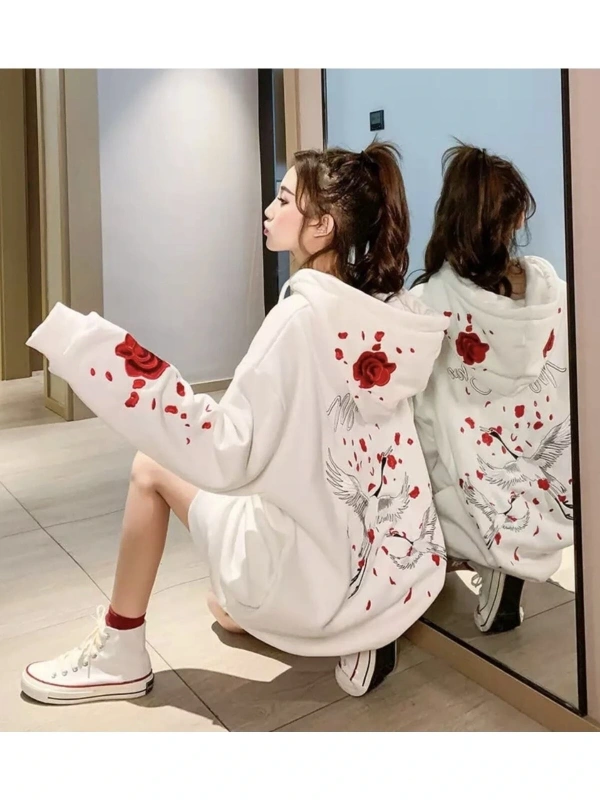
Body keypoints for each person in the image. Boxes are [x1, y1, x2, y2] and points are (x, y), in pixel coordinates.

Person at [21, 141, 448, 704]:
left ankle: (120, 652)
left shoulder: (299, 318)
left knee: (151, 468)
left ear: (322, 225)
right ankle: (361, 630)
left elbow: (224, 451)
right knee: (223, 608)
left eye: (284, 199)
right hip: (386, 562)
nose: (270, 209)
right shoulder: (389, 313)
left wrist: (91, 350)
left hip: (314, 568)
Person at [411, 143, 573, 635]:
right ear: (518, 217)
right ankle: (503, 554)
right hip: (542, 479)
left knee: (419, 428)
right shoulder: (554, 296)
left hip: (474, 482)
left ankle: (469, 555)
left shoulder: (429, 302)